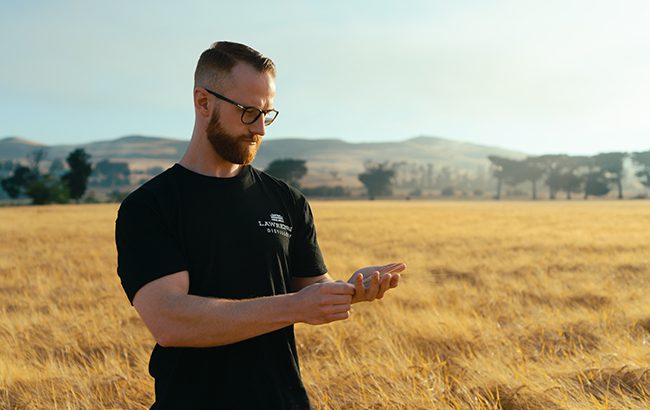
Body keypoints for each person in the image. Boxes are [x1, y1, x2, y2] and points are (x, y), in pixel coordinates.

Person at [115, 41, 406, 410]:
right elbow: (171, 322)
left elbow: (312, 289)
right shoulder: (149, 207)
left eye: (267, 114)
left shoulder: (287, 200)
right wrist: (296, 307)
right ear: (203, 102)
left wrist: (351, 289)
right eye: (248, 112)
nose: (260, 130)